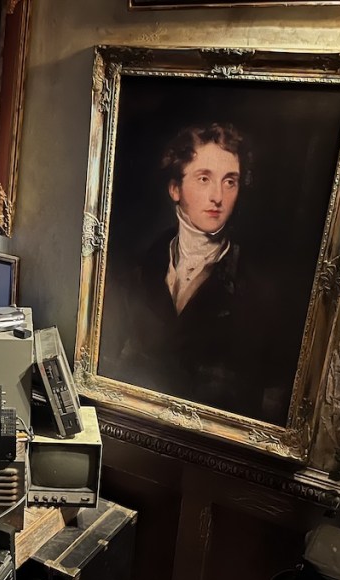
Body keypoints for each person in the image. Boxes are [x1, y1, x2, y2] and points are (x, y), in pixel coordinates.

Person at [102, 122, 274, 421]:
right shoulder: (137, 271)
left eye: (230, 181)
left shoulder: (255, 291)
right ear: (175, 188)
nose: (218, 197)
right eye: (204, 178)